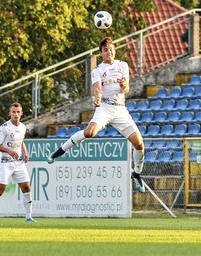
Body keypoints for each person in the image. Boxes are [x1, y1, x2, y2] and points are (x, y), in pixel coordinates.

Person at [47, 37, 147, 193]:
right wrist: (98, 97)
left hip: (120, 109)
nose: (109, 52)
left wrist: (123, 85)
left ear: (115, 50)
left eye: (111, 49)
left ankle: (137, 173)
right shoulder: (98, 70)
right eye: (105, 50)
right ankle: (60, 151)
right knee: (89, 132)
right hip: (105, 107)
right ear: (101, 53)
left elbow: (126, 88)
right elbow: (97, 88)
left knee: (139, 145)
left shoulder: (123, 65)